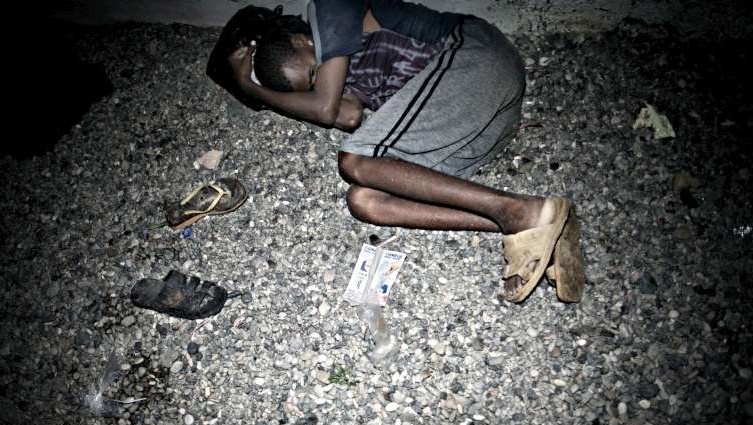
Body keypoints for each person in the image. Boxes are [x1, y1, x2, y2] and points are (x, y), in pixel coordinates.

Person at [206, 0, 584, 303]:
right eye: (309, 86)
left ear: (304, 42)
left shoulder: (328, 8)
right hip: (475, 127)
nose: (320, 84)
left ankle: (520, 212)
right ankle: (533, 221)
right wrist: (274, 93)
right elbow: (347, 115)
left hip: (477, 59)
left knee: (353, 161)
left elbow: (324, 108)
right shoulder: (340, 74)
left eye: (312, 73)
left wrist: (250, 86)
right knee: (365, 201)